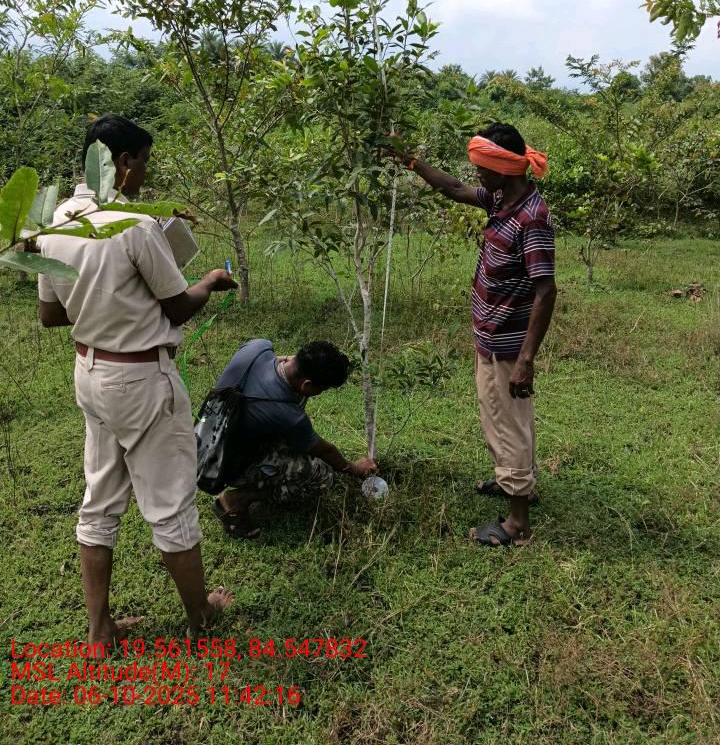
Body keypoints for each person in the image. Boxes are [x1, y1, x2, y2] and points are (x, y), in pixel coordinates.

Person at [37, 114, 237, 643]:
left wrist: (106, 300)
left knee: (99, 501)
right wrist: (210, 280)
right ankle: (200, 620)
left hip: (90, 372)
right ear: (122, 163)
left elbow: (50, 314)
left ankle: (100, 631)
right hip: (142, 380)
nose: (146, 172)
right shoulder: (134, 226)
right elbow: (177, 307)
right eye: (144, 161)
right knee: (170, 506)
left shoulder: (56, 221)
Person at [388, 122, 557, 546]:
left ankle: (517, 524)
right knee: (500, 418)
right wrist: (409, 160)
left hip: (507, 345)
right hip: (490, 336)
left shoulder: (530, 219)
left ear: (504, 168)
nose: (476, 174)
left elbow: (546, 291)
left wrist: (526, 360)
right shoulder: (501, 198)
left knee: (507, 423)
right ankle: (511, 481)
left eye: (482, 167)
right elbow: (452, 188)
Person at [209, 339, 378, 539]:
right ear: (307, 384)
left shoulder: (258, 347)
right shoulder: (289, 415)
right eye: (321, 389)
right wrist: (354, 468)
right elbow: (325, 451)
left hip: (207, 439)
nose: (319, 393)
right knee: (321, 475)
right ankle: (236, 499)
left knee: (291, 431)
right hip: (224, 467)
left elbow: (284, 361)